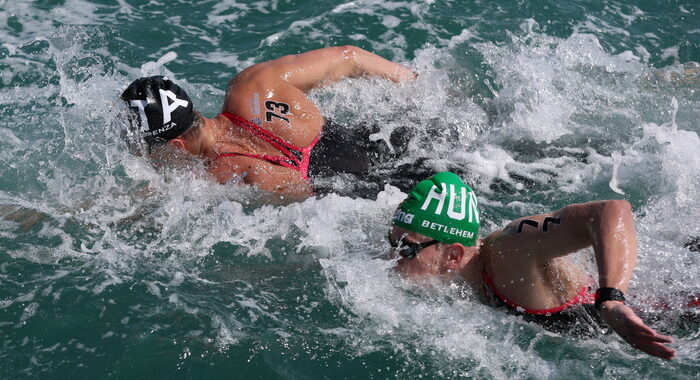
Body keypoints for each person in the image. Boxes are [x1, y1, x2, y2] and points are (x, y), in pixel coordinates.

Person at [387, 171, 679, 360]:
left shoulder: (511, 250)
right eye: (393, 241)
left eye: (407, 248)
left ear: (453, 256)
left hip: (672, 310)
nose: (393, 257)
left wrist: (612, 300)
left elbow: (611, 211)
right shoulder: (456, 277)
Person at [119, 46, 418, 202]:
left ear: (177, 145)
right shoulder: (253, 86)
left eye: (146, 150)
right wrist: (417, 84)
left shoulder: (222, 178)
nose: (145, 158)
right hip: (403, 139)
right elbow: (349, 58)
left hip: (389, 194)